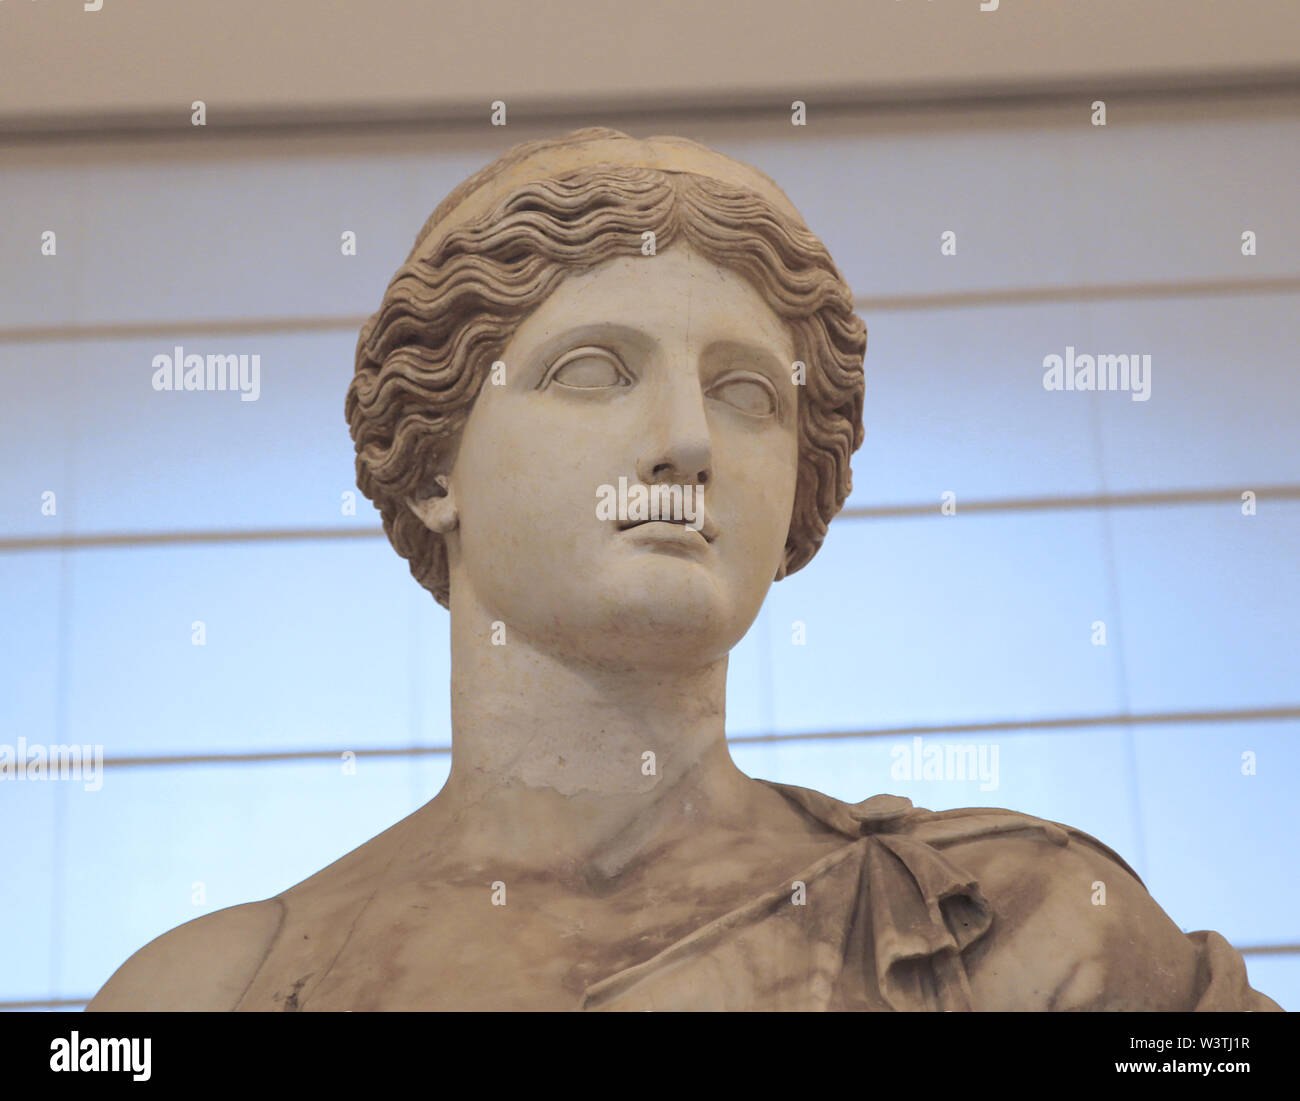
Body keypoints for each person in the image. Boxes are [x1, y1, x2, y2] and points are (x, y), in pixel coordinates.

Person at [89, 128, 1279, 1011]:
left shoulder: (1021, 928)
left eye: (746, 393)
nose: (691, 440)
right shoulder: (205, 995)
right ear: (433, 460)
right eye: (596, 370)